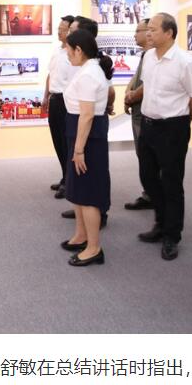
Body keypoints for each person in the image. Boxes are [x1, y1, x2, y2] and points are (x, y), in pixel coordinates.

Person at [137, 12, 192, 260]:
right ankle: (160, 222)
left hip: (172, 128)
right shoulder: (149, 57)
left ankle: (172, 235)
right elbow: (148, 87)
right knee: (148, 177)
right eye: (148, 29)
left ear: (169, 33)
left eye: (153, 29)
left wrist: (182, 122)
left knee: (172, 182)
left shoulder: (185, 62)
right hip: (148, 125)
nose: (148, 33)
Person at [60, 28, 113, 266]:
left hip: (87, 138)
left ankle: (94, 248)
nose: (67, 54)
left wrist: (79, 149)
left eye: (69, 50)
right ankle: (82, 236)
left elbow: (87, 114)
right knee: (79, 190)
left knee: (88, 193)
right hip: (80, 134)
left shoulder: (89, 74)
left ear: (79, 50)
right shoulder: (87, 70)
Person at [42, 16, 75, 198]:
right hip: (54, 99)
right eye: (59, 28)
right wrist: (45, 96)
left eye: (63, 28)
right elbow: (50, 75)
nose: (59, 31)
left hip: (66, 101)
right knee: (57, 141)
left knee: (66, 142)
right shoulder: (57, 51)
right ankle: (65, 177)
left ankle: (69, 181)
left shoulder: (73, 54)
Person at [122, 18, 154, 211]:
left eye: (138, 30)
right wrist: (128, 94)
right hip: (137, 110)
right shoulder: (145, 55)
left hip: (145, 113)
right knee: (142, 155)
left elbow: (148, 84)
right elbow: (136, 79)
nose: (135, 34)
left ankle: (152, 195)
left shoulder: (153, 56)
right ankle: (148, 193)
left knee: (148, 157)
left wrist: (132, 96)